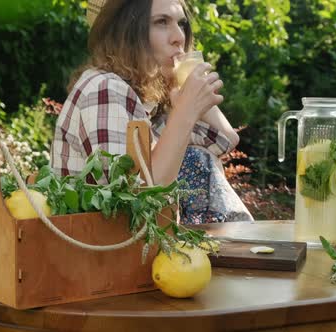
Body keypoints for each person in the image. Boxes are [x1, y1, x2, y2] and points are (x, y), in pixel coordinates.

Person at [50, 0, 253, 223]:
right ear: (126, 32)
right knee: (195, 159)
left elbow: (225, 139)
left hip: (134, 248)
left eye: (181, 23)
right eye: (162, 22)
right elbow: (134, 204)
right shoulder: (105, 89)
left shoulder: (145, 100)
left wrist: (186, 88)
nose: (179, 37)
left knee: (197, 158)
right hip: (101, 252)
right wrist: (185, 111)